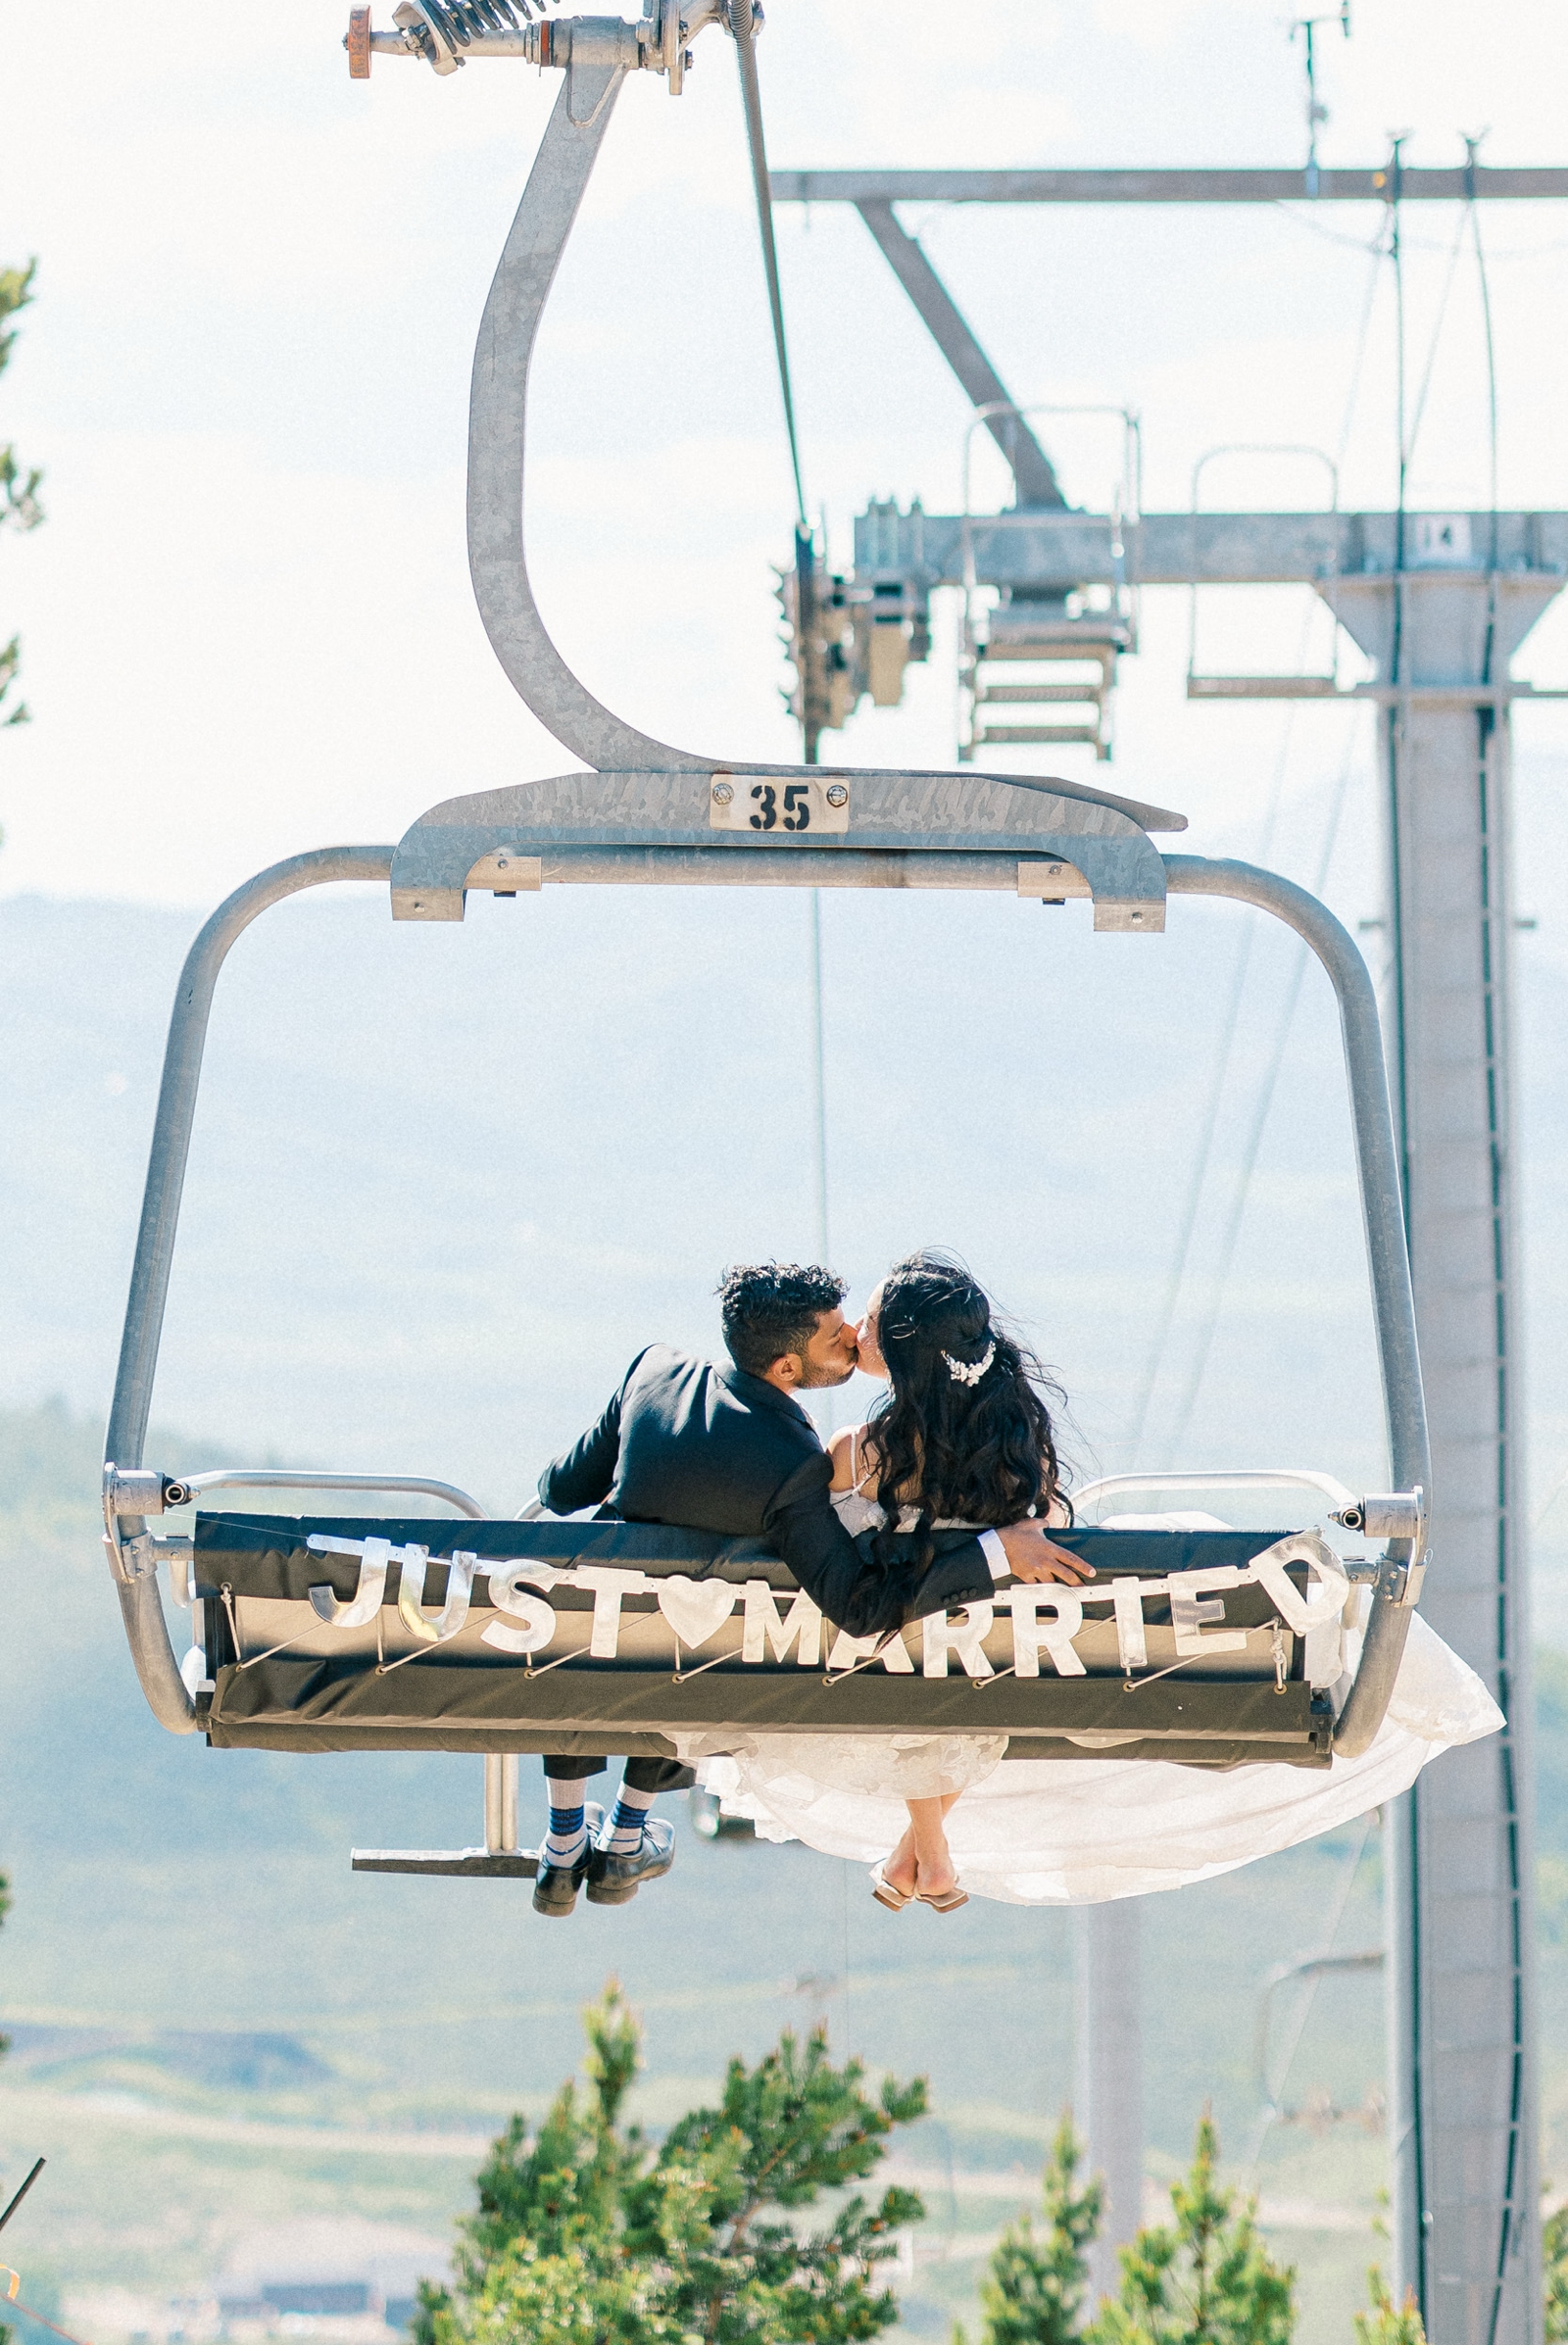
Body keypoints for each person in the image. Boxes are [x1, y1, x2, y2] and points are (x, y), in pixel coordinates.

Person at [526, 1261, 1092, 1918]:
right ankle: (629, 1833)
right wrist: (993, 1552)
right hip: (965, 1667)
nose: (853, 1334)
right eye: (838, 1333)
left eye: (863, 1323)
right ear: (789, 1368)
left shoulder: (659, 1372)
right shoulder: (804, 1463)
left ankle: (564, 1841)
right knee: (699, 1636)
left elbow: (562, 1488)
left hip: (608, 1653)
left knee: (596, 1614)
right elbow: (864, 1600)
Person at [828, 1250, 1070, 1913]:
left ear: (905, 1354)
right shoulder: (1020, 1444)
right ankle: (924, 1857)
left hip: (880, 1658)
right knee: (963, 1655)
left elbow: (861, 1585)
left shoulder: (859, 1453)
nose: (857, 1328)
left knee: (914, 1655)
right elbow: (1044, 1539)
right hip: (992, 1668)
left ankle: (926, 1856)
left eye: (872, 1321)